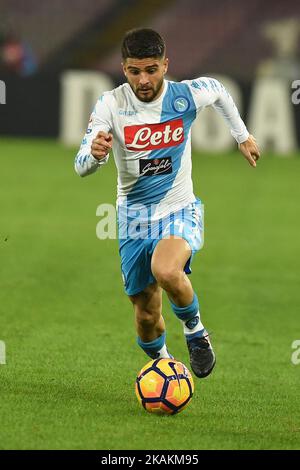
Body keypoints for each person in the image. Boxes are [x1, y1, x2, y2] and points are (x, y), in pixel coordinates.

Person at [75, 28, 260, 378]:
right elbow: (81, 164)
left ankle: (195, 332)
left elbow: (219, 92)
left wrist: (242, 136)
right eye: (134, 71)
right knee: (146, 316)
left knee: (167, 269)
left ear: (165, 64)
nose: (143, 80)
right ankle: (164, 365)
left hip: (179, 209)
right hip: (133, 219)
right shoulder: (110, 104)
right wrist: (95, 156)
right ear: (123, 68)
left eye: (151, 69)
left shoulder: (186, 95)